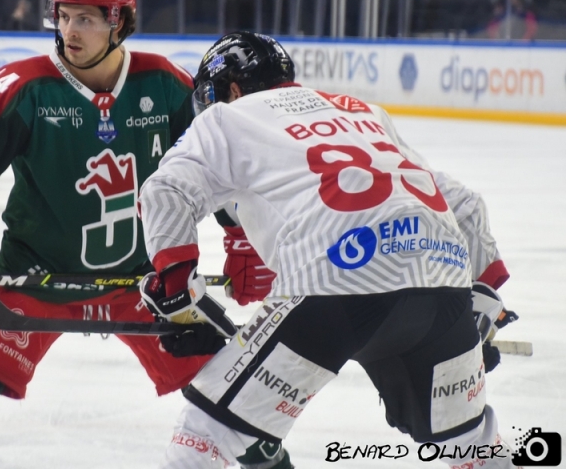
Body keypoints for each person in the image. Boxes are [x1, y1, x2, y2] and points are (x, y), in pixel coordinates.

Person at [0, 0, 279, 469]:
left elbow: (213, 169)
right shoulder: (21, 88)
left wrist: (243, 238)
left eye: (85, 18)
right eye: (63, 16)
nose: (69, 30)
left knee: (236, 394)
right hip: (37, 276)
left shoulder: (166, 85)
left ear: (119, 21)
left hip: (148, 285)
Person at [137, 31, 517, 469]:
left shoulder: (228, 117)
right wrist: (483, 302)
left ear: (232, 90)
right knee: (472, 446)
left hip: (336, 280)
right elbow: (465, 206)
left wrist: (175, 290)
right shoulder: (364, 111)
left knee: (204, 435)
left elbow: (165, 190)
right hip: (444, 283)